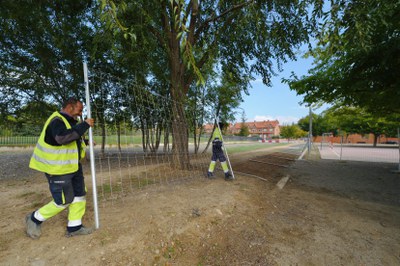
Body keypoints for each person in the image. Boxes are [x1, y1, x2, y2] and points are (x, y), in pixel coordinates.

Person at [26, 97, 94, 239]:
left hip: (73, 167)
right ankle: (34, 218)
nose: (81, 114)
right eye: (79, 110)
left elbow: (71, 139)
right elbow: (62, 138)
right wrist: (85, 125)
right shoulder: (56, 120)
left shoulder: (69, 122)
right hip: (57, 170)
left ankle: (74, 227)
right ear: (70, 107)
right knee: (64, 200)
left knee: (79, 195)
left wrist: (85, 141)